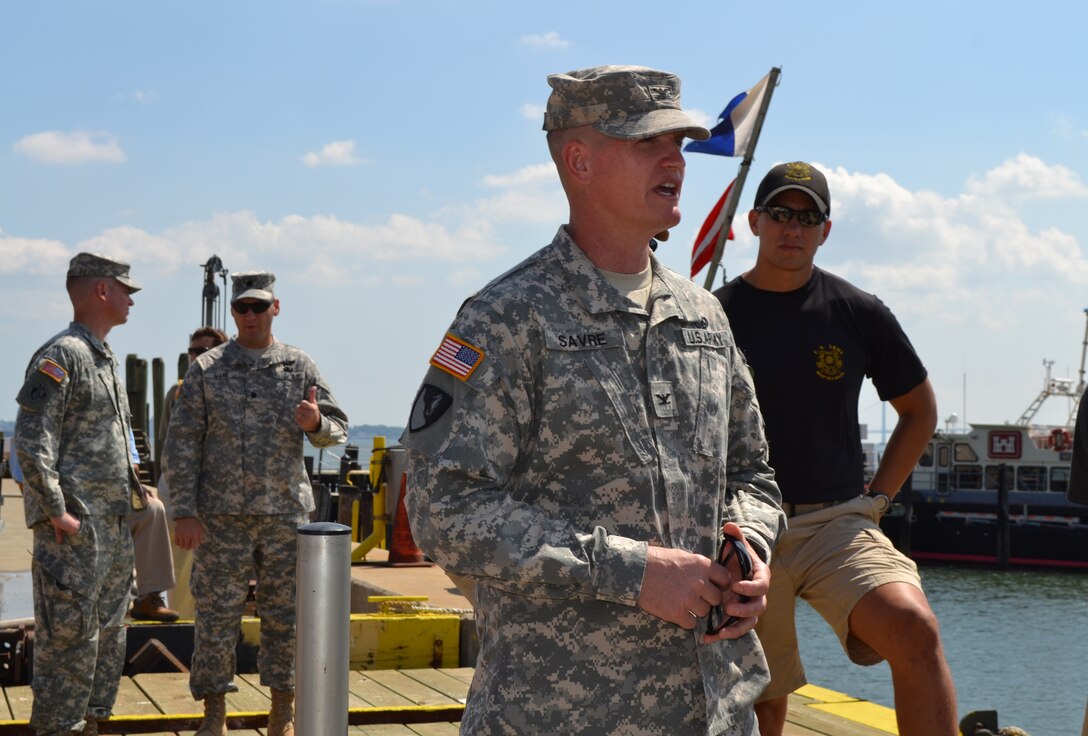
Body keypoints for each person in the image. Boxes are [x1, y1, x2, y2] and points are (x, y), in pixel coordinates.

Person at [400, 65, 784, 736]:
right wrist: (630, 571)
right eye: (647, 143)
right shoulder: (506, 319)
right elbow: (442, 509)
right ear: (579, 161)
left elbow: (753, 474)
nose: (675, 159)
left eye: (680, 143)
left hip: (710, 712)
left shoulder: (703, 317)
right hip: (560, 715)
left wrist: (748, 547)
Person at [713, 161, 957, 735]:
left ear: (826, 230)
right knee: (761, 695)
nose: (792, 228)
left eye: (808, 217)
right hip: (744, 527)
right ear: (754, 222)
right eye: (779, 213)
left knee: (914, 629)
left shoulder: (859, 312)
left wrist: (878, 500)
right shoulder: (713, 316)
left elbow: (919, 411)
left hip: (837, 525)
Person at [162, 271, 348, 736]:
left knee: (285, 615)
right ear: (234, 313)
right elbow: (182, 444)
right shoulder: (206, 369)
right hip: (220, 517)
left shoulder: (298, 366)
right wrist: (184, 510)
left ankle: (282, 710)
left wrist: (315, 422)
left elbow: (339, 429)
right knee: (216, 614)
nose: (249, 315)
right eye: (241, 308)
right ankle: (213, 714)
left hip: (283, 512)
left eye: (258, 307)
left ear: (275, 308)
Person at [14, 252, 145, 736]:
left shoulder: (103, 357)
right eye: (125, 288)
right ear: (101, 291)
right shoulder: (62, 355)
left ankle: (90, 726)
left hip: (109, 532)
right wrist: (56, 511)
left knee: (107, 638)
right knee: (69, 642)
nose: (132, 298)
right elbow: (31, 442)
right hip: (73, 534)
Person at [8, 431, 178, 623]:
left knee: (152, 510)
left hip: (111, 500)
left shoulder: (116, 403)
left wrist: (135, 487)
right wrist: (54, 512)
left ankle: (149, 597)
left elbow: (132, 460)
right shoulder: (50, 404)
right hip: (71, 506)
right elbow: (25, 471)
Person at [154, 326, 229, 619]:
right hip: (180, 488)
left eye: (205, 350)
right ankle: (183, 625)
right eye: (193, 350)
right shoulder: (178, 392)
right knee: (181, 565)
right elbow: (167, 445)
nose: (197, 356)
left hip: (218, 491)